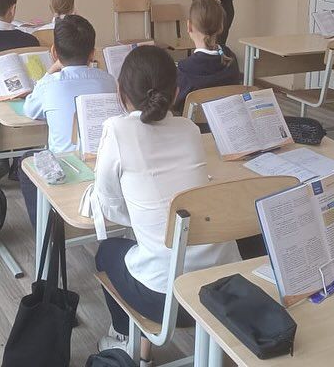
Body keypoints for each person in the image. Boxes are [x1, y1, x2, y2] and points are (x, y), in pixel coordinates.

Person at [93, 46, 240, 354]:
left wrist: (144, 217)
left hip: (165, 299)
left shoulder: (116, 130)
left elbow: (109, 206)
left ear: (120, 92)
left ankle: (124, 339)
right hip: (222, 286)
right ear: (176, 92)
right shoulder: (189, 129)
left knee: (106, 252)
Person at [19, 15, 116, 227]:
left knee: (25, 162)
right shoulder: (109, 80)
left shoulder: (50, 84)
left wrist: (48, 73)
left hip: (67, 169)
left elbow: (29, 109)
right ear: (92, 53)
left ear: (54, 52)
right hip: (105, 166)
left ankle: (46, 230)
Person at [174, 0, 241, 114]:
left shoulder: (185, 69)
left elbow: (177, 107)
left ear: (189, 26)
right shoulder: (231, 59)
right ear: (221, 27)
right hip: (227, 122)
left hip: (194, 125)